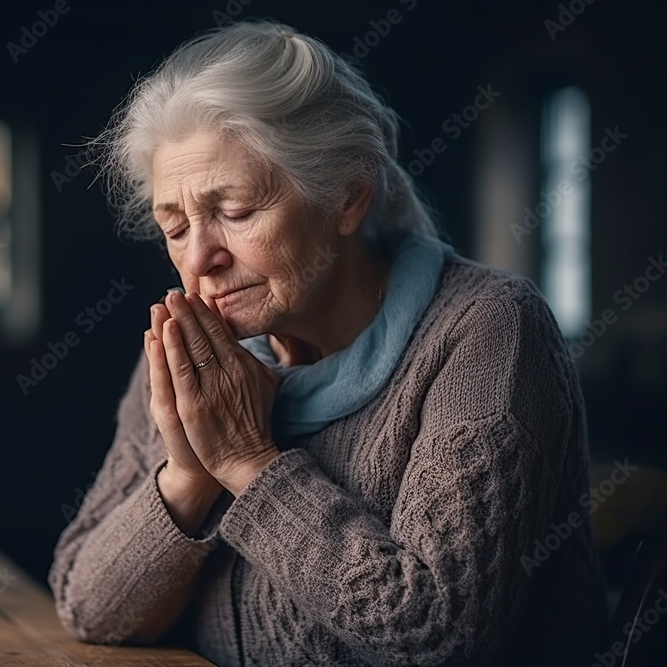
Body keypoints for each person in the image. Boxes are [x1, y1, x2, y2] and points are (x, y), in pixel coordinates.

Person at [49, 19, 606, 666]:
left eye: (235, 212)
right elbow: (85, 605)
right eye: (174, 226)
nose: (199, 258)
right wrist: (190, 472)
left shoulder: (488, 331)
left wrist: (246, 462)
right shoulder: (195, 356)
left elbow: (438, 638)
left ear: (348, 194)